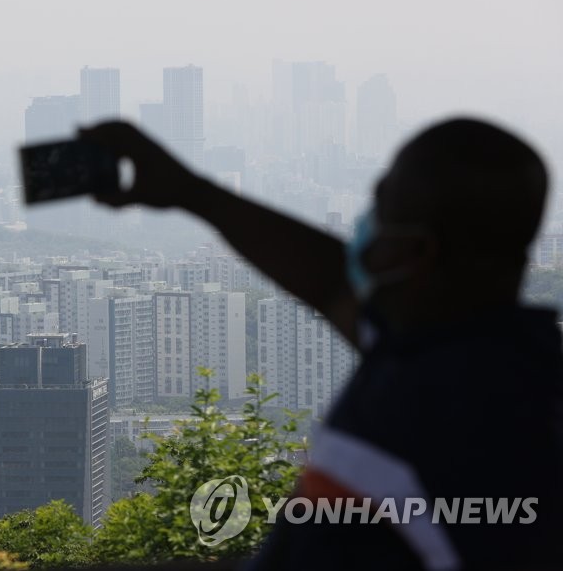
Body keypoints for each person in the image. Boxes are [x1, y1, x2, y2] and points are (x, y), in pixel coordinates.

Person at [80, 117, 563, 570]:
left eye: (381, 206)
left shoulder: (422, 422)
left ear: (417, 252)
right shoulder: (499, 358)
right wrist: (193, 192)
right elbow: (333, 284)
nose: (364, 225)